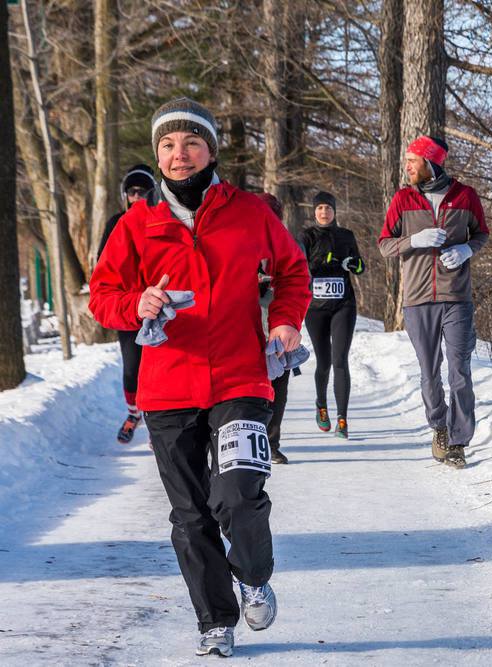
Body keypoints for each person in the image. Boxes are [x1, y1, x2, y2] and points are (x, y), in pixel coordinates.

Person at [89, 98, 311, 658]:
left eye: (190, 144)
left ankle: (254, 574)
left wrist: (285, 321)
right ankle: (215, 620)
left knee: (237, 494)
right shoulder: (137, 225)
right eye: (167, 145)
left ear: (211, 150)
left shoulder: (250, 212)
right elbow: (102, 297)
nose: (178, 154)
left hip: (240, 377)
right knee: (190, 515)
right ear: (157, 154)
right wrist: (137, 303)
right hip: (167, 386)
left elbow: (292, 271)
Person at [378, 135, 489, 469]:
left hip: (456, 297)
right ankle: (439, 426)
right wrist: (414, 240)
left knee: (460, 371)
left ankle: (458, 441)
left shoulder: (465, 196)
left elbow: (481, 233)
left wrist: (467, 249)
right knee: (429, 372)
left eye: (413, 160)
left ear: (431, 163)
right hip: (417, 299)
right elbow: (384, 245)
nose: (408, 166)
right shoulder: (402, 199)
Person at [96, 164, 157, 444]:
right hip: (129, 307)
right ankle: (134, 414)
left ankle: (160, 422)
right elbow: (103, 268)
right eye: (132, 192)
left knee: (157, 367)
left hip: (161, 306)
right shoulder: (116, 223)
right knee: (132, 366)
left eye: (143, 191)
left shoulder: (162, 219)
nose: (137, 197)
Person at [299, 191, 365, 438]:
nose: (324, 212)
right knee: (324, 363)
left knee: (340, 361)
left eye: (328, 208)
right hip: (315, 308)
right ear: (314, 212)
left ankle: (343, 420)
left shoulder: (345, 235)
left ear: (335, 211)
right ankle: (321, 405)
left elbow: (361, 266)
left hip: (343, 305)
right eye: (319, 209)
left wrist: (351, 264)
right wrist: (311, 266)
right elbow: (298, 263)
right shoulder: (306, 236)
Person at [257, 193, 294, 464]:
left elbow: (298, 281)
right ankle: (252, 440)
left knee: (278, 385)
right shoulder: (237, 241)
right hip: (243, 324)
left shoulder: (287, 245)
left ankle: (271, 443)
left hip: (277, 324)